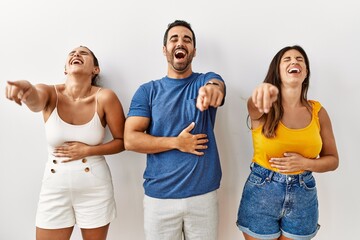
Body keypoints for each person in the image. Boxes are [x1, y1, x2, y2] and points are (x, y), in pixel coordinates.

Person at [5, 46, 125, 240]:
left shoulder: (105, 97)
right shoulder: (49, 92)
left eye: (83, 53)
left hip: (94, 186)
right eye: (72, 53)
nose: (76, 54)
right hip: (54, 186)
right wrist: (26, 89)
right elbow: (35, 100)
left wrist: (88, 150)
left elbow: (122, 141)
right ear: (65, 69)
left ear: (96, 69)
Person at [124, 20, 225, 240]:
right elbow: (130, 140)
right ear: (165, 49)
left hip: (203, 197)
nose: (181, 42)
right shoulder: (148, 91)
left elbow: (217, 84)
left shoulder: (204, 81)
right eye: (174, 39)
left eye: (187, 39)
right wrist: (177, 142)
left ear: (194, 51)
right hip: (159, 200)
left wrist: (213, 90)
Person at [236, 45, 339, 240]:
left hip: (304, 196)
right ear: (278, 71)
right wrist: (260, 93)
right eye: (288, 59)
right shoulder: (265, 107)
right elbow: (253, 105)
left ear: (306, 72)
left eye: (300, 59)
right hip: (262, 194)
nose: (294, 62)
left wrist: (305, 163)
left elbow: (333, 160)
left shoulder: (318, 111)